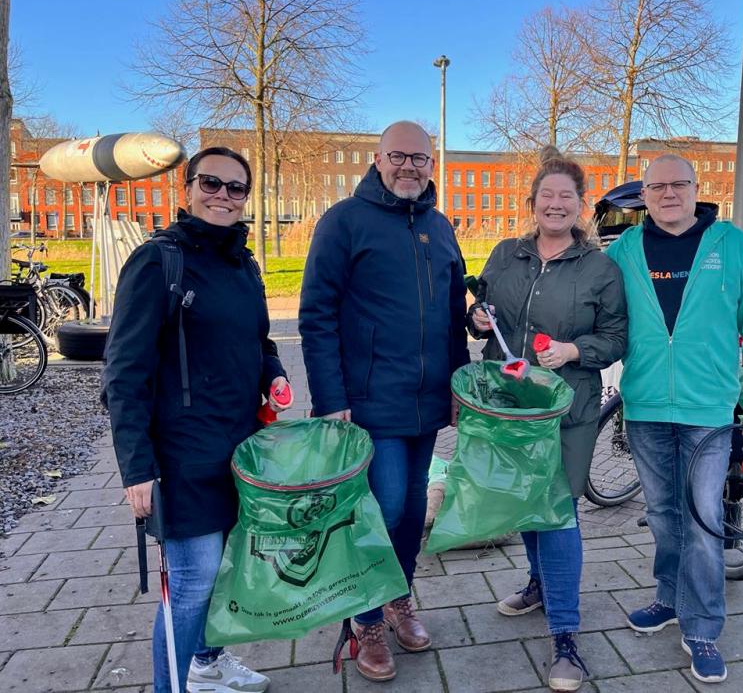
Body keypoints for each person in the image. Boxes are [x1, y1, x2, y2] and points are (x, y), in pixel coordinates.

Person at [103, 147, 289, 693]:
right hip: (182, 453)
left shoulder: (244, 265)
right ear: (186, 189)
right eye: (211, 183)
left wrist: (274, 374)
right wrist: (136, 467)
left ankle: (206, 662)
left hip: (240, 447)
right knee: (191, 583)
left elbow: (259, 341)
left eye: (236, 187)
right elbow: (124, 372)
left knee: (225, 569)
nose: (223, 196)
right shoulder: (157, 262)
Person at [298, 120, 470, 682]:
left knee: (413, 508)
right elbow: (316, 315)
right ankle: (365, 619)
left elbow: (452, 316)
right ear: (377, 159)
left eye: (419, 158)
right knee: (385, 507)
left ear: (432, 164)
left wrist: (457, 384)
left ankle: (398, 596)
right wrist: (330, 398)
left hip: (427, 400)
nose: (408, 167)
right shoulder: (344, 222)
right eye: (398, 156)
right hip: (369, 401)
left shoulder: (440, 228)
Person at [606, 154, 743, 685]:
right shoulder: (624, 250)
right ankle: (668, 597)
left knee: (702, 519)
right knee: (662, 514)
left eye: (678, 184)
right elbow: (590, 308)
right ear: (644, 196)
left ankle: (702, 626)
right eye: (657, 186)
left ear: (696, 188)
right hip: (646, 405)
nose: (668, 194)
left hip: (708, 410)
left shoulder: (731, 245)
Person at [469, 146, 627, 693]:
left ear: (580, 205)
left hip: (568, 409)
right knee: (527, 502)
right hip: (510, 407)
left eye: (566, 196)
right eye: (546, 195)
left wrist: (573, 350)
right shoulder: (504, 255)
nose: (555, 204)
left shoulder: (600, 268)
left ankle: (565, 638)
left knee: (558, 510)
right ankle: (539, 585)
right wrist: (477, 318)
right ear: (532, 202)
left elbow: (617, 338)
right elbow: (481, 316)